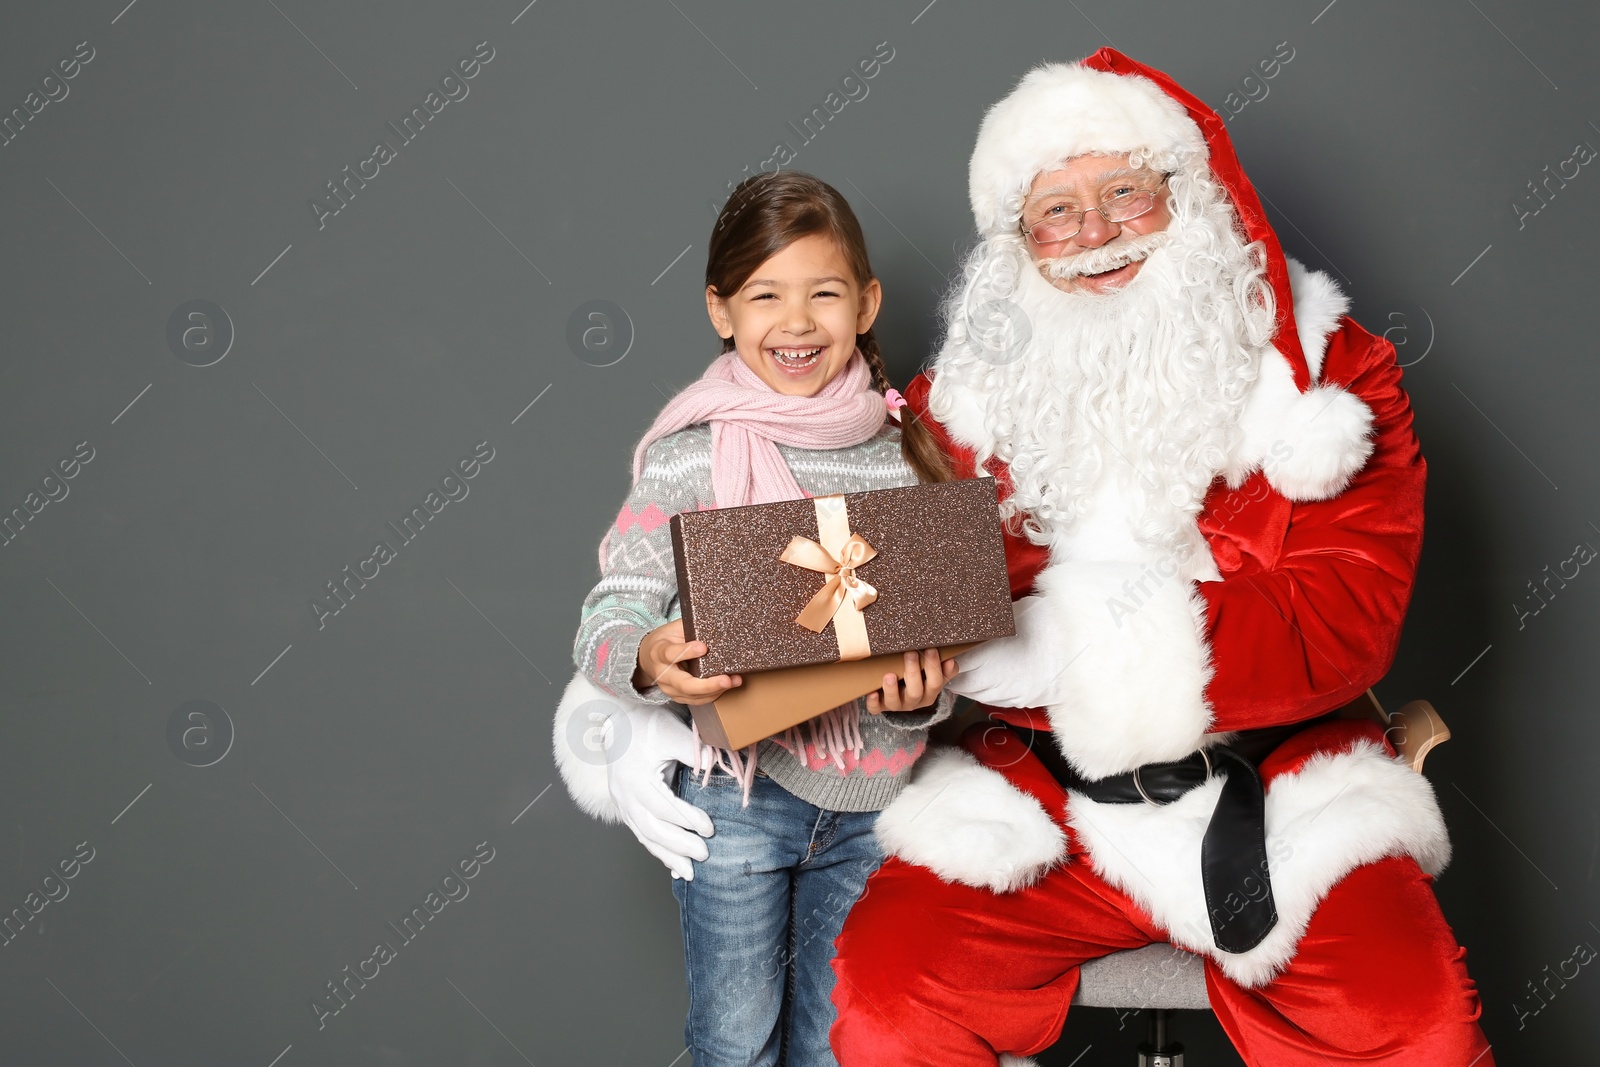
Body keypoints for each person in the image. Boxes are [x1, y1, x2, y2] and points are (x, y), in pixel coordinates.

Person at [827, 50, 1494, 1066]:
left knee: (1415, 1024)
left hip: (1278, 793)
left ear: (1190, 198)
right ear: (1019, 243)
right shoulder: (955, 405)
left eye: (1125, 193)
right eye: (1055, 211)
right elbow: (890, 611)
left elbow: (1338, 624)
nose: (1093, 235)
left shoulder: (1335, 378)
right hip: (1038, 799)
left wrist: (1064, 646)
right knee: (887, 999)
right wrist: (905, 683)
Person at [551, 170, 959, 1066]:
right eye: (766, 295)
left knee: (831, 1046)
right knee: (734, 1042)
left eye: (825, 292)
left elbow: (935, 660)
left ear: (867, 303)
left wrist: (916, 700)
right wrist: (652, 658)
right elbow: (609, 610)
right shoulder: (692, 458)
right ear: (720, 310)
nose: (799, 320)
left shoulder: (908, 455)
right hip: (735, 798)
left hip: (871, 807)